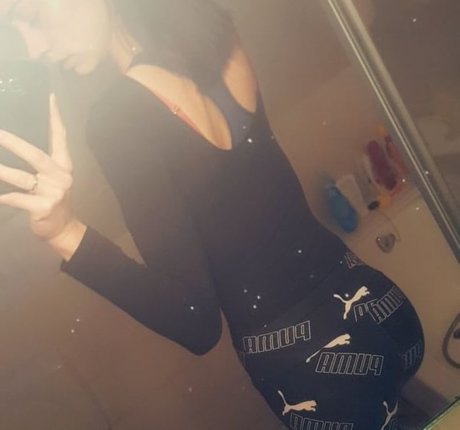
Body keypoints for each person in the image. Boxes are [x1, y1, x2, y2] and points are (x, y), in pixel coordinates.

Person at [0, 1, 425, 428]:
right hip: (381, 307)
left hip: (317, 362)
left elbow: (195, 321)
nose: (35, 48)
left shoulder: (117, 118)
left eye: (31, 17)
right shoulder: (214, 35)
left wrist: (63, 232)